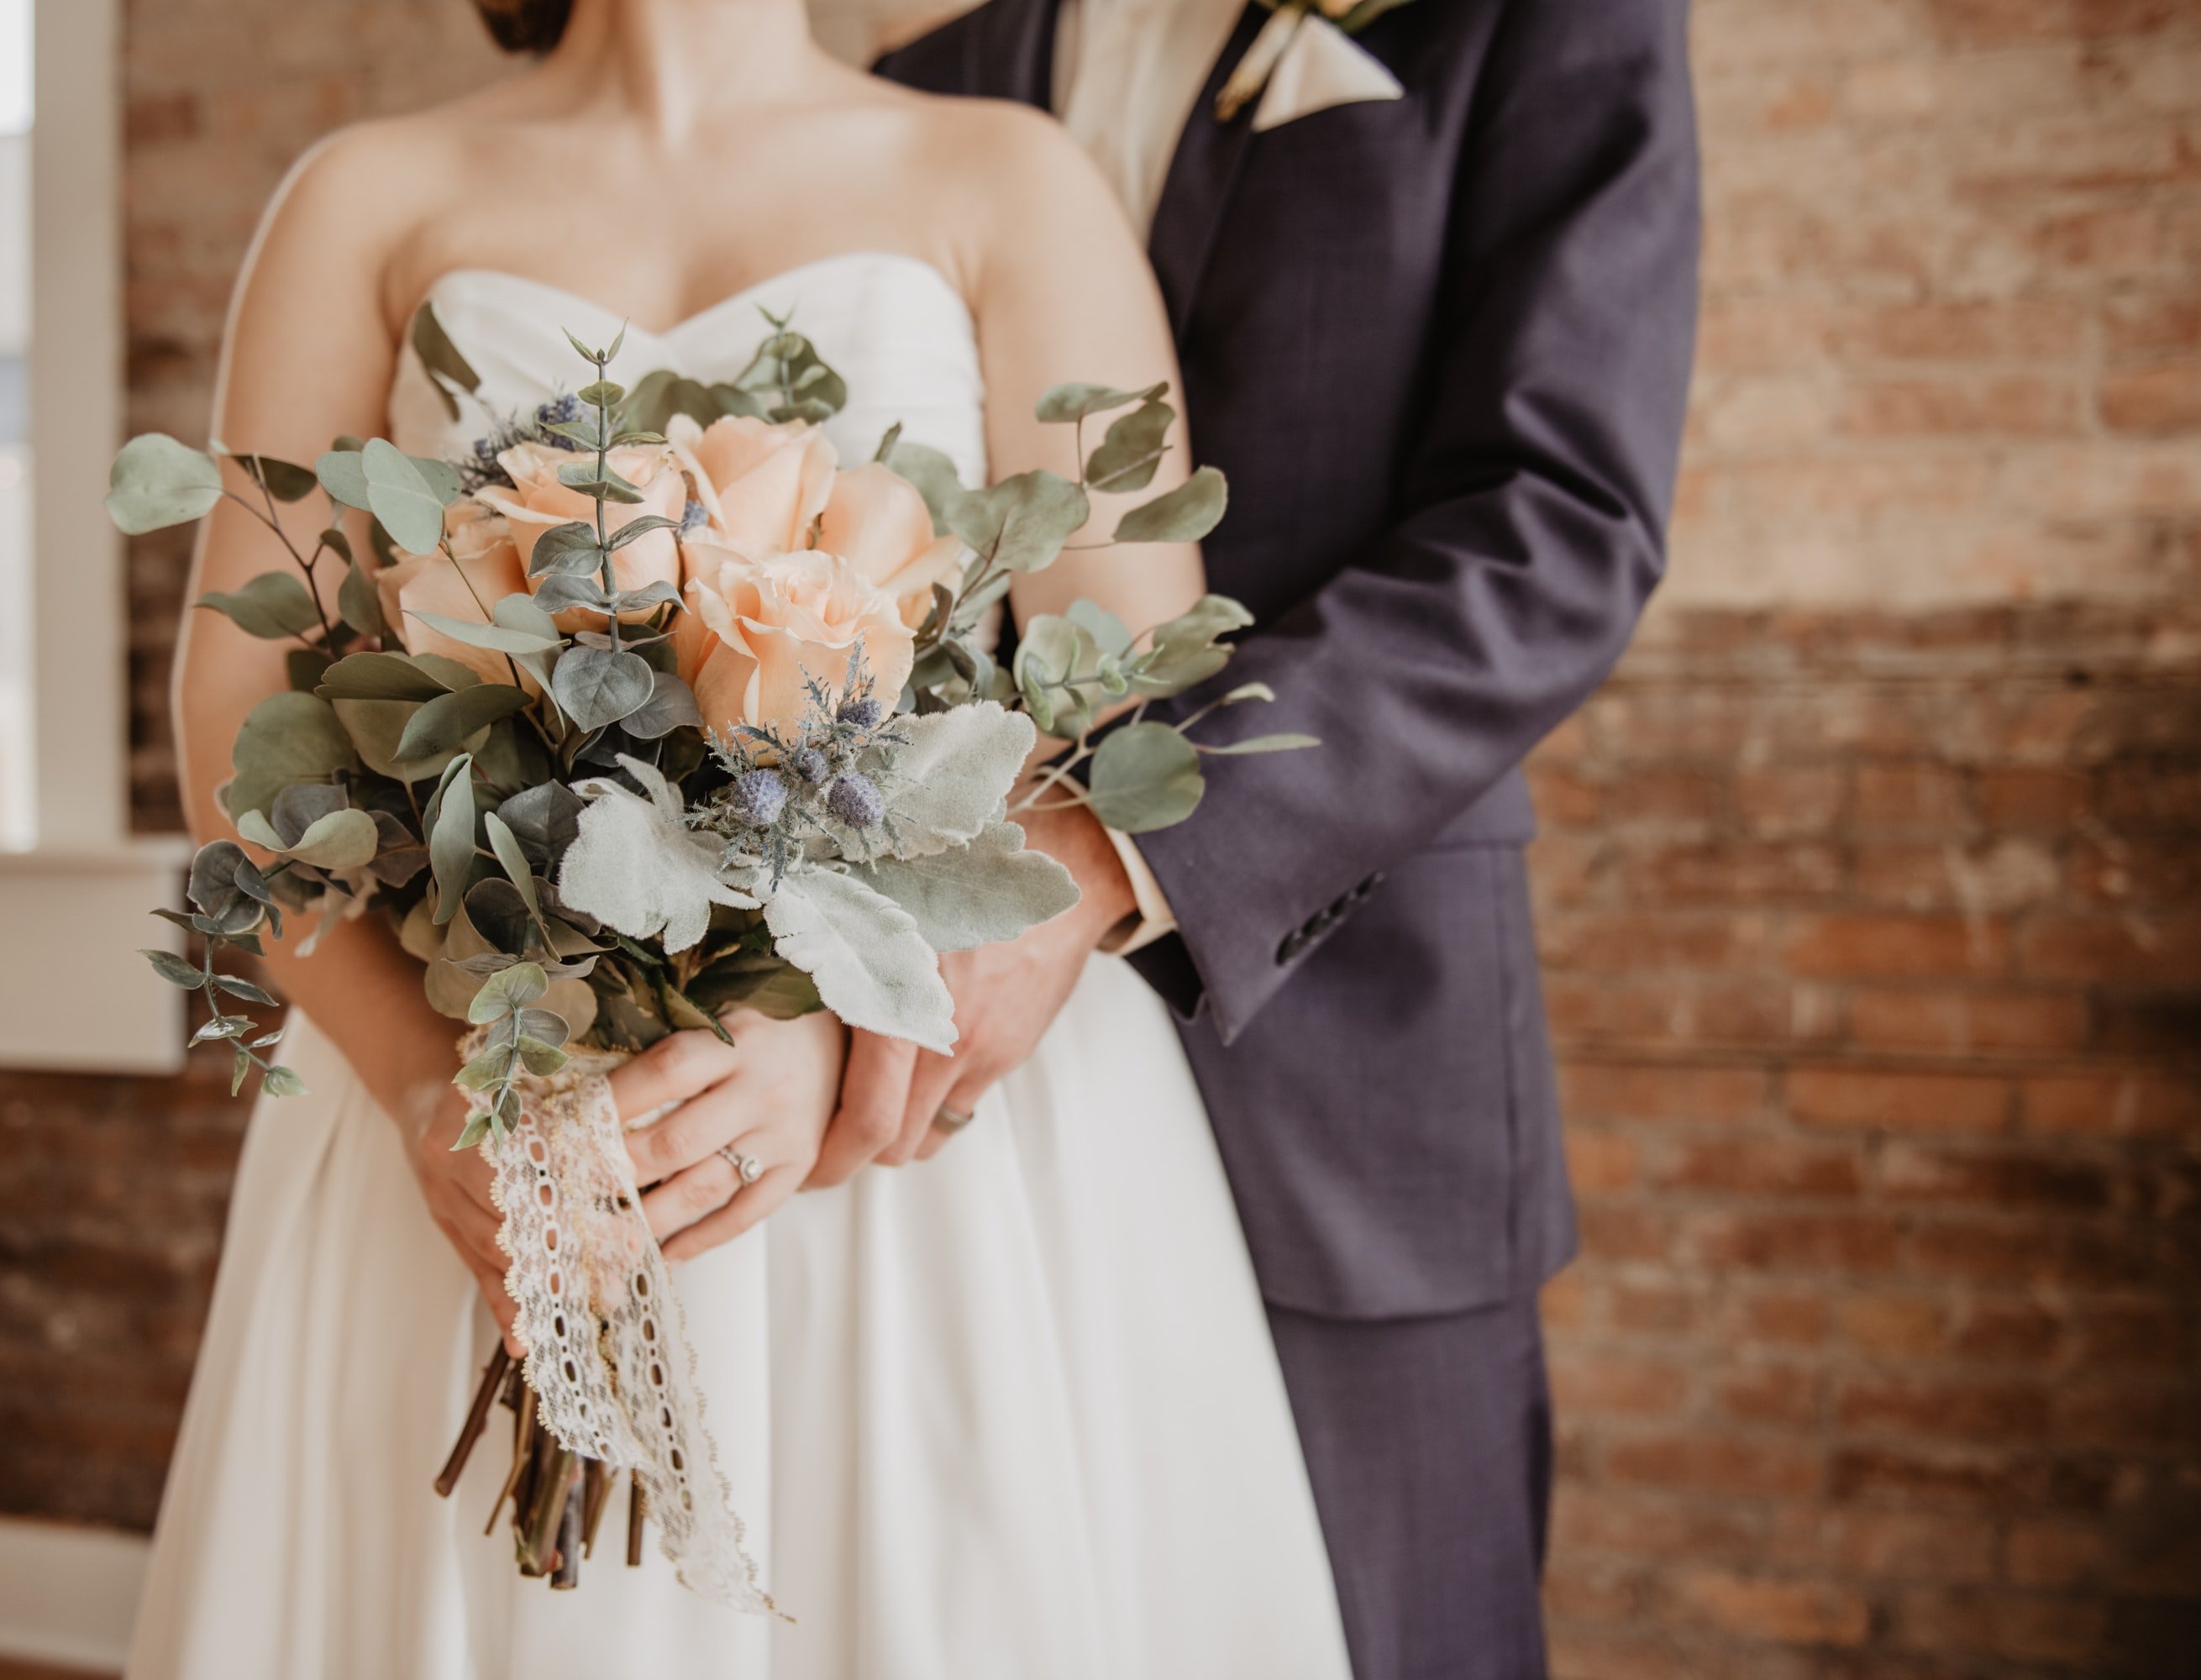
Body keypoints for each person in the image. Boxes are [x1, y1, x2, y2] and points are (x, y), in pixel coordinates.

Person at [126, 0, 1348, 1672]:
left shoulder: (1004, 178)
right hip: (493, 1094)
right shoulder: (367, 195)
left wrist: (823, 1010)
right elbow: (235, 722)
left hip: (913, 1148)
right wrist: (429, 1084)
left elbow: (1127, 710)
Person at [847, 1, 1702, 1673]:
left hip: (1346, 1061)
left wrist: (1104, 851)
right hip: (942, 1130)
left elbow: (1556, 523)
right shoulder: (921, 77)